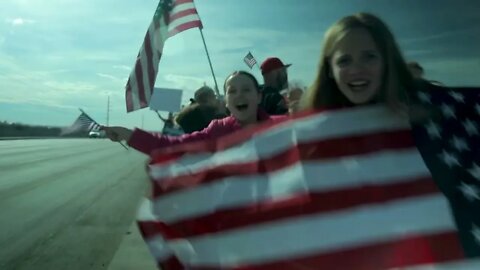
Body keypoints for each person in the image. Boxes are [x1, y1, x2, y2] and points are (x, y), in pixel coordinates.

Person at [301, 12, 478, 257]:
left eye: (369, 57)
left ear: (387, 61)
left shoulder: (435, 115)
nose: (357, 70)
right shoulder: (316, 134)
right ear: (329, 69)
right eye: (344, 61)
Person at [103, 71, 287, 155]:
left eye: (246, 89)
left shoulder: (284, 127)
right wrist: (128, 134)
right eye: (232, 91)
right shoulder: (217, 131)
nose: (239, 95)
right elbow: (171, 146)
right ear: (227, 102)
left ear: (259, 96)